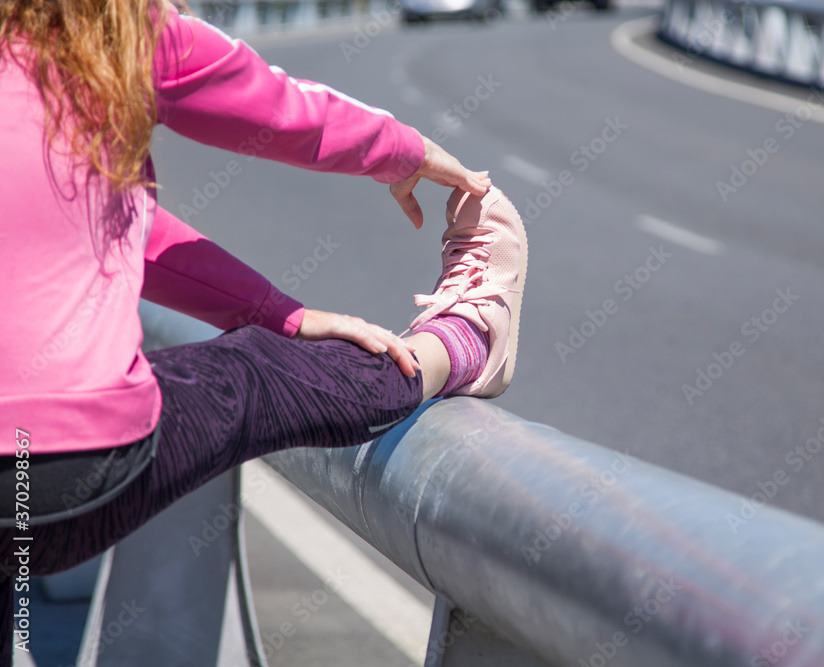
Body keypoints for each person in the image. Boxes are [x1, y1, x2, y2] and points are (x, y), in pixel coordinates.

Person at [0, 1, 527, 663]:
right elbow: (277, 109)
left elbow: (131, 233)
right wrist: (406, 151)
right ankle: (461, 344)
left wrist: (282, 310)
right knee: (253, 370)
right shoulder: (109, 25)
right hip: (71, 472)